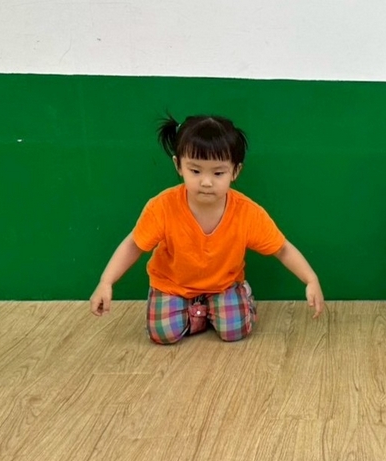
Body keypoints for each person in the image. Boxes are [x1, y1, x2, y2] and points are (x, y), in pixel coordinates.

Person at [89, 114, 324, 344]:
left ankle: (221, 305)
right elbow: (134, 244)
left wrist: (310, 279)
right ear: (178, 165)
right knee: (162, 334)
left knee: (235, 330)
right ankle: (199, 313)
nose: (206, 182)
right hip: (172, 286)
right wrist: (106, 281)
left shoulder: (246, 212)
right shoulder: (162, 207)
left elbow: (282, 249)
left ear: (235, 171)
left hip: (223, 286)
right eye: (195, 171)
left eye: (218, 173)